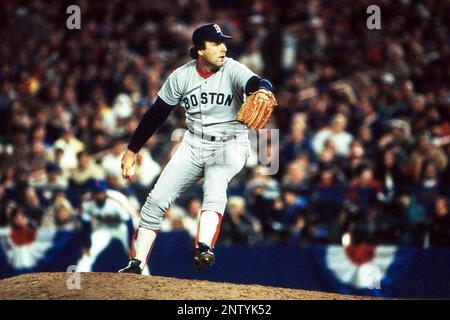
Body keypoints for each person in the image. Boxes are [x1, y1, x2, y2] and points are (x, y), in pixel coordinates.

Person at [119, 23, 275, 274]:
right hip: (193, 143)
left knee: (215, 182)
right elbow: (155, 115)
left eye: (224, 42)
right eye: (216, 43)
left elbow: (257, 81)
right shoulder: (181, 77)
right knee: (156, 199)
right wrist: (132, 150)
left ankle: (204, 248)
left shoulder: (233, 68)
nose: (224, 48)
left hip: (231, 143)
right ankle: (136, 264)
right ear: (200, 50)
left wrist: (263, 89)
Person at [76, 179, 142, 273]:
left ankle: (144, 275)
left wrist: (131, 247)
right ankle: (81, 273)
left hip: (122, 226)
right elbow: (85, 224)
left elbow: (129, 223)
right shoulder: (87, 201)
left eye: (102, 191)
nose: (100, 195)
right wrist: (86, 244)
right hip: (104, 228)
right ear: (92, 193)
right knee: (90, 250)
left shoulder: (116, 200)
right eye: (97, 192)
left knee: (135, 252)